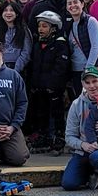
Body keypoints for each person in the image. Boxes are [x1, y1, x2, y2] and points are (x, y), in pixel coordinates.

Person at [26, 11, 71, 154]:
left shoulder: (60, 44)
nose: (41, 29)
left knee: (57, 114)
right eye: (39, 26)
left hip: (54, 88)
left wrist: (53, 85)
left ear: (53, 28)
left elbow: (61, 67)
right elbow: (34, 66)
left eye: (44, 26)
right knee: (41, 113)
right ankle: (43, 137)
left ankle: (59, 138)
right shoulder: (38, 44)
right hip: (39, 87)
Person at [65, 0, 98, 91]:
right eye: (69, 3)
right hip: (74, 69)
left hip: (88, 70)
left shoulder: (91, 21)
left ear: (82, 4)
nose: (72, 5)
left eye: (75, 2)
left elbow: (96, 47)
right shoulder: (70, 24)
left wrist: (88, 69)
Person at [0, 0, 32, 74]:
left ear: (17, 13)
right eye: (5, 10)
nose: (8, 13)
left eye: (11, 10)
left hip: (19, 69)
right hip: (0, 69)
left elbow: (26, 53)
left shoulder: (24, 31)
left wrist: (15, 70)